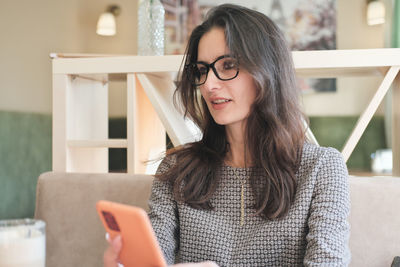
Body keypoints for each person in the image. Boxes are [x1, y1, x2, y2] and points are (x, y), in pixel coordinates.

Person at [104, 4, 350, 267]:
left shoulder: (321, 169)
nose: (209, 84)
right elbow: (153, 258)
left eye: (228, 64)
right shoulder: (178, 171)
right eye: (202, 70)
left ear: (267, 70)